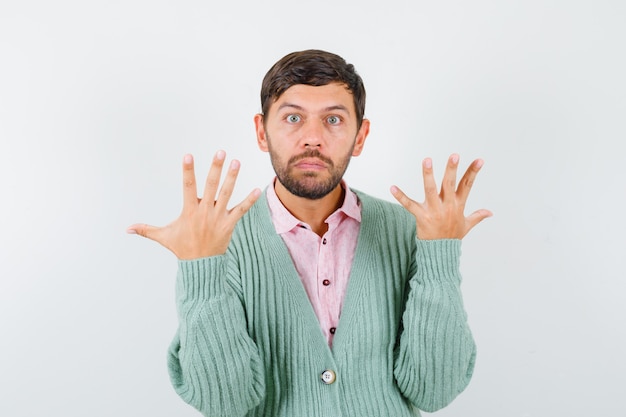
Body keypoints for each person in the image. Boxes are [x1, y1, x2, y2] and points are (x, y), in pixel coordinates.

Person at [127, 49, 492, 417]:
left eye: (333, 119)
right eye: (293, 118)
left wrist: (439, 254)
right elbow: (225, 403)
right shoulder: (216, 240)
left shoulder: (409, 232)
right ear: (262, 132)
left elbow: (434, 391)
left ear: (360, 136)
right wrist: (201, 268)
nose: (312, 138)